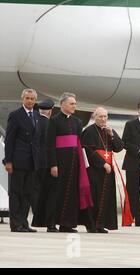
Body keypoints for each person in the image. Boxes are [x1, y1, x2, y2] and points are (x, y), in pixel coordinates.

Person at [46, 92, 93, 233]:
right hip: (59, 164)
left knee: (71, 195)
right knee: (56, 194)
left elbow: (79, 144)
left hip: (73, 164)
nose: (74, 106)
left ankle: (66, 224)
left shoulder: (78, 122)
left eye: (75, 103)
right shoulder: (54, 121)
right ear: (63, 104)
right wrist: (53, 164)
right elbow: (50, 145)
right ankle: (51, 224)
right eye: (72, 103)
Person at [2, 89, 40, 232]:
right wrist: (9, 161)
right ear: (22, 99)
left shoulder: (36, 116)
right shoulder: (15, 115)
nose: (30, 101)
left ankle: (24, 223)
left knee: (27, 194)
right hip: (18, 160)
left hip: (32, 161)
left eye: (32, 99)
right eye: (27, 98)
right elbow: (9, 139)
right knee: (16, 193)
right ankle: (16, 224)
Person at [82, 107, 124, 233]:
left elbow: (119, 147)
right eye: (100, 116)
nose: (103, 119)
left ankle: (101, 224)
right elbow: (88, 150)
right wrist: (103, 164)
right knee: (94, 197)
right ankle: (91, 225)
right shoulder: (89, 131)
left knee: (106, 198)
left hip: (107, 171)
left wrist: (112, 136)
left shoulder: (109, 131)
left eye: (105, 116)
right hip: (94, 170)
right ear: (95, 117)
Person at [31, 99, 58, 232]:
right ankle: (43, 217)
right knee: (45, 192)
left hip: (34, 161)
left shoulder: (35, 122)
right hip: (46, 163)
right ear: (50, 111)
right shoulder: (49, 124)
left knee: (34, 189)